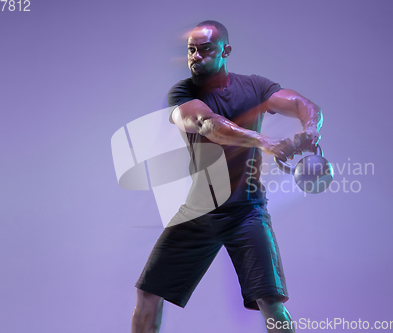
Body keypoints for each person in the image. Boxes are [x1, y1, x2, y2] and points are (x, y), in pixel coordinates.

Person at [131, 20, 323, 333]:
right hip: (198, 211)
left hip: (246, 211)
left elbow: (303, 104)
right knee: (148, 293)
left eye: (205, 49)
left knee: (271, 303)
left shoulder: (256, 87)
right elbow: (207, 124)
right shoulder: (182, 93)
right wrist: (264, 141)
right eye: (191, 50)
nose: (195, 56)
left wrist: (311, 128)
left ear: (226, 51)